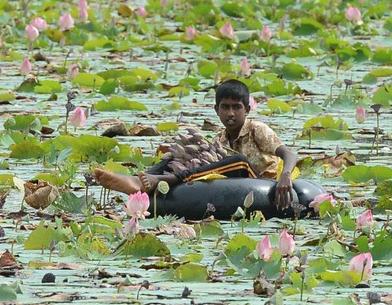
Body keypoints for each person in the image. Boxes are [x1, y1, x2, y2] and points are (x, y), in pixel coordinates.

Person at [94, 79, 297, 209]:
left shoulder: (257, 129)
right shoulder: (220, 139)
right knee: (184, 154)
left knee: (239, 161)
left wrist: (285, 176)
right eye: (225, 108)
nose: (231, 113)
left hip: (262, 182)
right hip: (231, 183)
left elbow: (289, 155)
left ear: (247, 110)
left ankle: (170, 179)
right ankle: (141, 180)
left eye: (237, 107)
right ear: (216, 110)